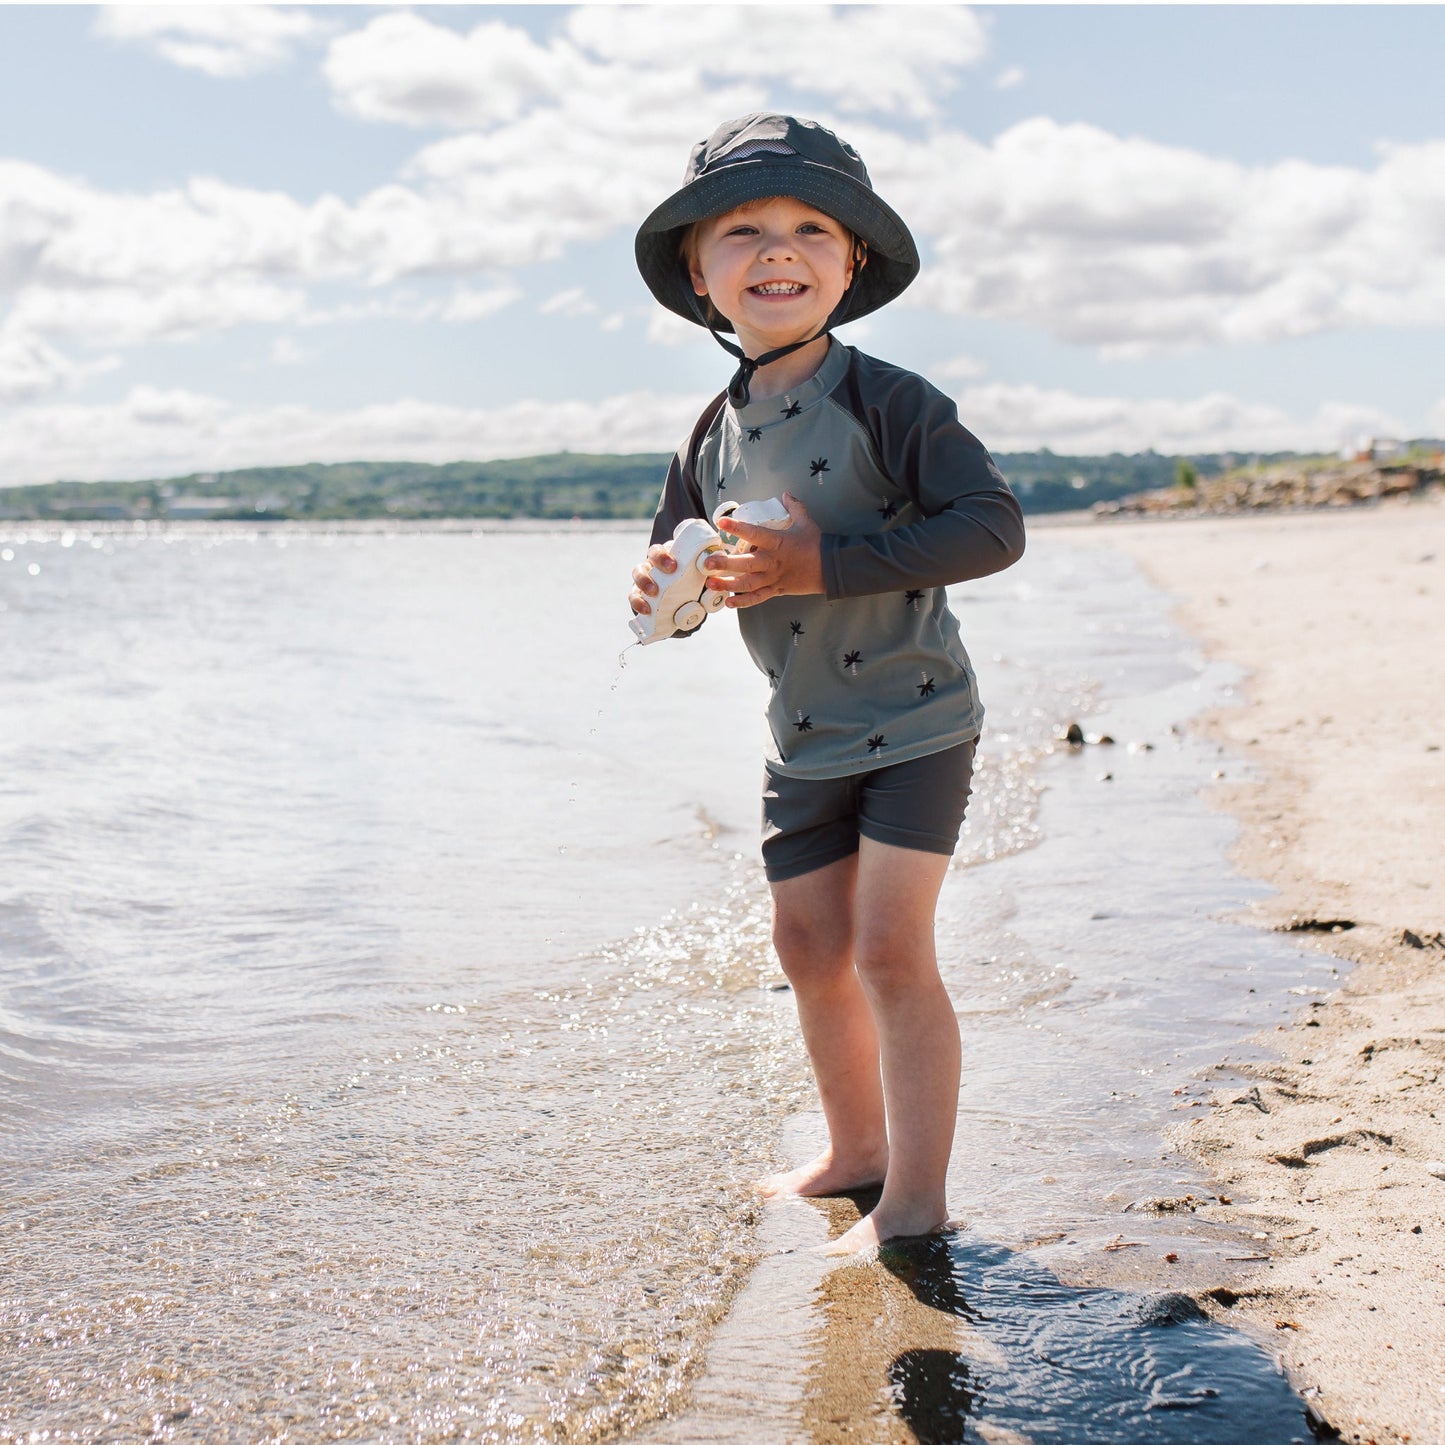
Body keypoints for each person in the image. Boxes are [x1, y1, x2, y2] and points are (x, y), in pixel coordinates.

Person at [628, 114, 1026, 1255]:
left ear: (849, 265)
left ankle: (914, 1202)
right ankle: (854, 1151)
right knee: (807, 946)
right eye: (741, 230)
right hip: (797, 733)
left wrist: (822, 562)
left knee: (889, 948)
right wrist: (662, 587)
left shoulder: (891, 399)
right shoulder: (711, 427)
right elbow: (681, 557)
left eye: (808, 226)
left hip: (914, 716)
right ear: (699, 278)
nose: (775, 249)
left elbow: (991, 528)